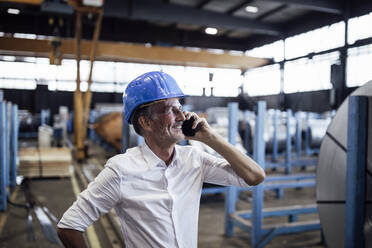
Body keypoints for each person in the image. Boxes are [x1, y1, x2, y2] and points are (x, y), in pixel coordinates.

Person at [57, 71, 265, 248]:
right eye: (170, 109)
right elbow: (69, 227)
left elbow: (254, 176)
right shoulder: (121, 170)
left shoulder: (194, 159)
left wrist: (211, 138)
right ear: (146, 122)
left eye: (180, 107)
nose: (182, 116)